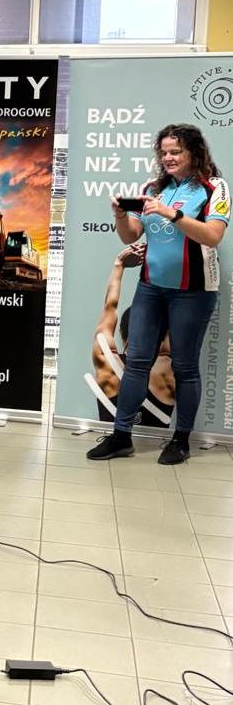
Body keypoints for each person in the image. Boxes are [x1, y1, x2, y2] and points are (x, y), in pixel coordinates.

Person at [87, 123, 228, 465]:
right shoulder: (153, 188)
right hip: (151, 288)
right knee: (136, 361)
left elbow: (212, 236)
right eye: (163, 152)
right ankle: (121, 436)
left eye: (175, 151)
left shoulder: (214, 187)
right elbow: (130, 235)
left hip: (193, 291)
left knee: (184, 366)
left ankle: (180, 440)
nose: (168, 157)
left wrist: (172, 214)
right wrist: (121, 216)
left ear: (194, 152)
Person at [88, 242, 174, 429]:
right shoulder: (166, 368)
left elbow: (109, 307)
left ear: (123, 334)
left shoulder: (107, 361)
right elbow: (171, 317)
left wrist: (119, 265)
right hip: (153, 444)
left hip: (112, 440)